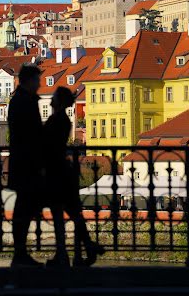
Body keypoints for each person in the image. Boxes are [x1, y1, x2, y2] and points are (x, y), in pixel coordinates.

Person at [43, 86, 105, 267]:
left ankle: (64, 254)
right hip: (63, 171)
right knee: (72, 213)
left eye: (54, 97)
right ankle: (86, 247)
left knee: (59, 214)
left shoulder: (57, 120)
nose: (51, 100)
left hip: (56, 172)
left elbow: (48, 144)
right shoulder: (63, 120)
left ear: (60, 101)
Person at [8, 63, 44, 267]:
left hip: (22, 161)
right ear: (29, 81)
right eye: (37, 80)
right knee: (24, 208)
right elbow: (31, 132)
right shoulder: (24, 101)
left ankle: (20, 253)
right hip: (26, 162)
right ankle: (20, 253)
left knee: (24, 208)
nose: (40, 84)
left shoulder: (20, 99)